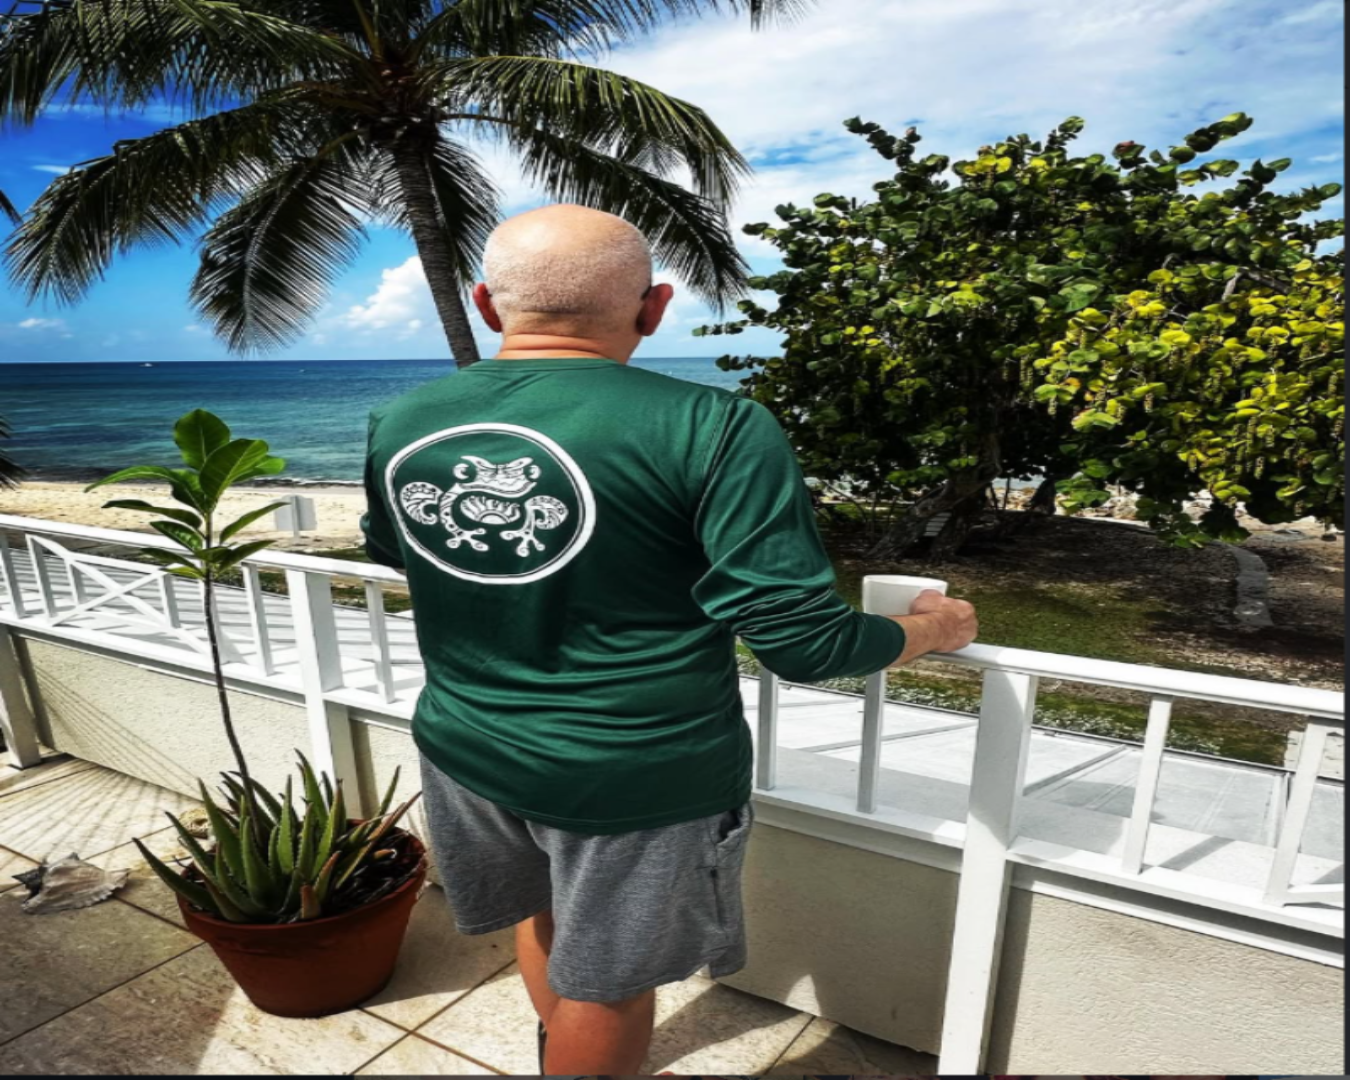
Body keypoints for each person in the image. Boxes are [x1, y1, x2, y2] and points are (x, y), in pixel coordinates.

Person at [360, 204, 978, 1073]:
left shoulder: (404, 421)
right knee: (610, 982)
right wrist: (929, 626)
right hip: (636, 771)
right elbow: (803, 642)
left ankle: (557, 1054)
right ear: (653, 307)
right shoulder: (716, 426)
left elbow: (405, 551)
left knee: (548, 917)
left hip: (467, 745)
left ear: (490, 307)